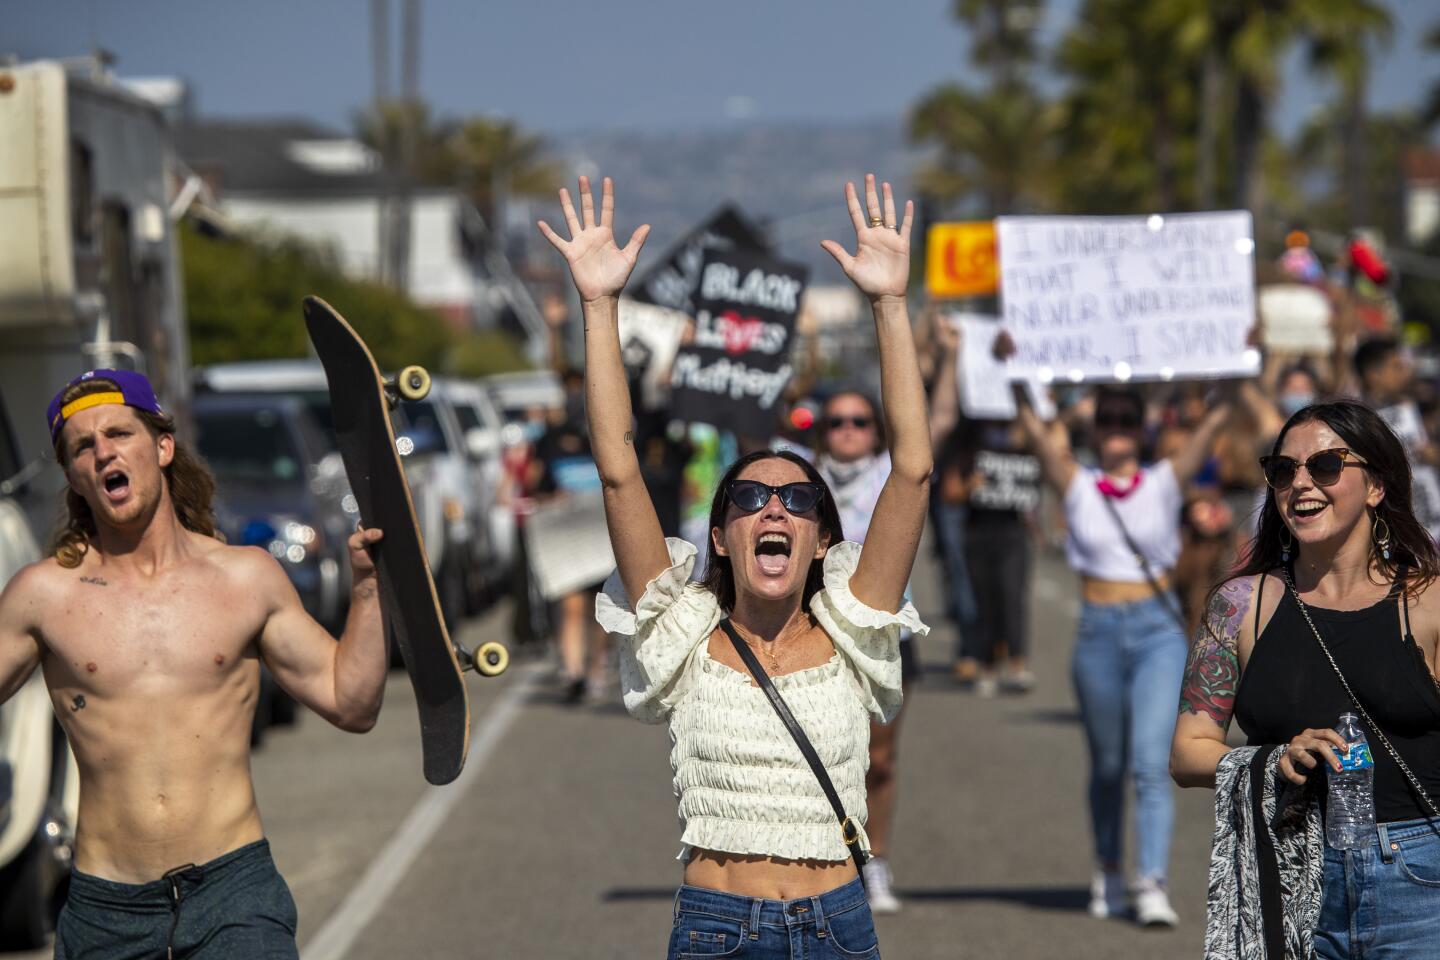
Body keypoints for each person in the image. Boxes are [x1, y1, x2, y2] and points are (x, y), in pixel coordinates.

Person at [538, 174, 929, 958]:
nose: (773, 509)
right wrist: (598, 306)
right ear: (721, 536)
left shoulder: (857, 624)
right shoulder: (679, 627)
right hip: (718, 930)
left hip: (836, 928)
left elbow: (913, 470)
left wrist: (890, 305)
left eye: (796, 500)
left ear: (822, 539)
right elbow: (619, 469)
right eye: (748, 498)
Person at [0, 370, 389, 960]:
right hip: (106, 911)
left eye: (118, 433)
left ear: (161, 447)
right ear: (75, 477)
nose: (103, 450)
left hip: (234, 896)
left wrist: (367, 590)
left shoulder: (245, 579)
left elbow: (351, 701)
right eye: (83, 446)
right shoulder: (43, 596)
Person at [1171, 399, 1440, 957]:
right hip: (1290, 872)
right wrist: (1272, 760)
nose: (1300, 484)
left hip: (1419, 881)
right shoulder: (1240, 604)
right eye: (1282, 470)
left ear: (1376, 486)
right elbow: (1187, 753)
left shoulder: (1430, 601)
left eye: (1325, 466)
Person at [1017, 380, 1232, 927]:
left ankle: (1152, 881)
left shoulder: (1163, 481)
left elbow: (1214, 422)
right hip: (1097, 633)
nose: (1115, 428)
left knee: (1149, 763)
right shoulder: (1079, 484)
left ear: (1141, 429)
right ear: (1094, 427)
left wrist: (1237, 364)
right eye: (1106, 419)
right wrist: (1015, 370)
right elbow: (1039, 435)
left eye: (1125, 419)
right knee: (1107, 766)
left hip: (1156, 631)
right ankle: (1109, 868)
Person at [813, 387, 919, 914]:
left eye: (858, 420)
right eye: (836, 421)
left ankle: (873, 863)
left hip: (883, 638)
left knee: (877, 761)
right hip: (816, 637)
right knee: (823, 762)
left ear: (876, 431)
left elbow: (931, 425)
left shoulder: (890, 474)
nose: (847, 429)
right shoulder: (803, 480)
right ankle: (826, 867)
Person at [929, 320, 1039, 697]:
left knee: (1012, 593)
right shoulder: (967, 434)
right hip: (977, 527)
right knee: (981, 593)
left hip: (1012, 527)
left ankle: (1017, 659)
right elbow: (950, 491)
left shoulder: (1022, 431)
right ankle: (986, 659)